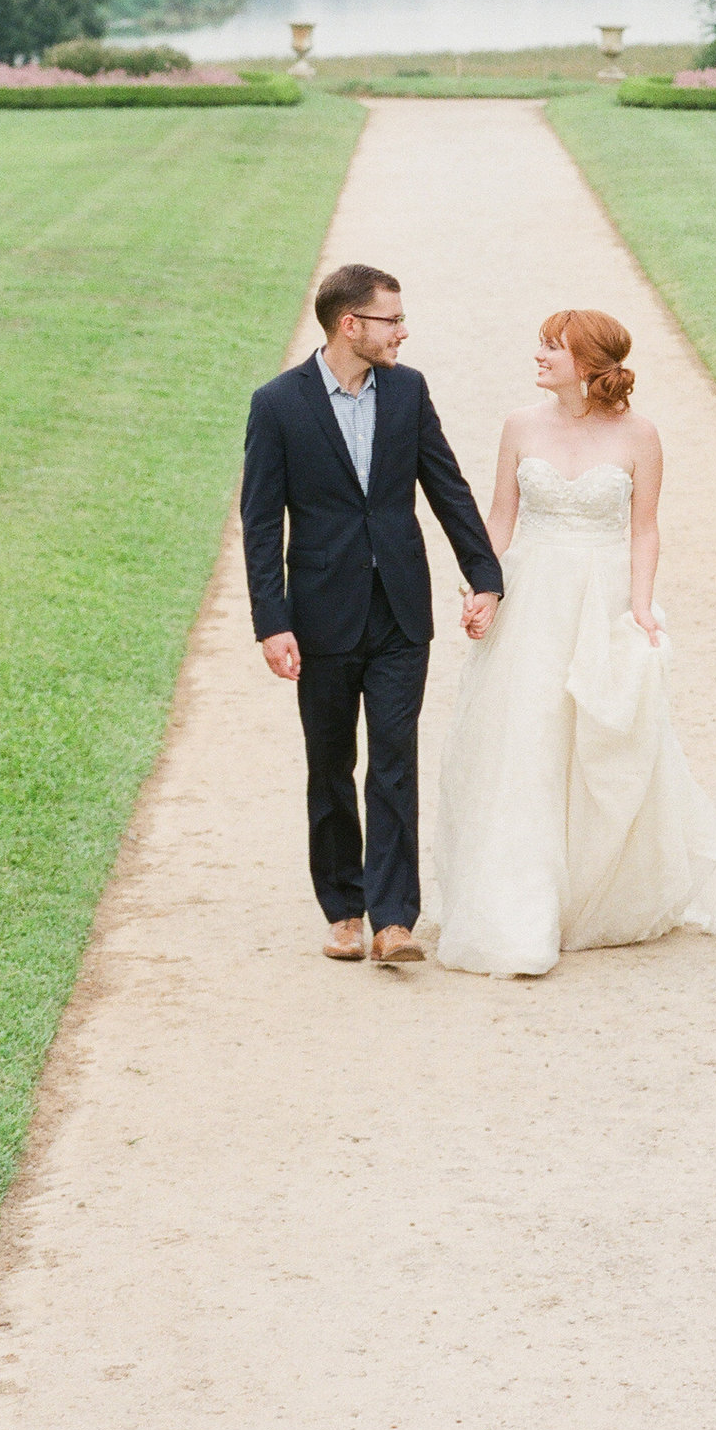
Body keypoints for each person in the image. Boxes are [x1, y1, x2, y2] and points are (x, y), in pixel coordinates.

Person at [431, 305, 716, 978]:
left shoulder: (640, 435)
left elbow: (644, 527)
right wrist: (483, 585)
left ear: (590, 365)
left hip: (599, 597)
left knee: (598, 736)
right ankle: (522, 903)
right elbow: (501, 515)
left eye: (553, 347)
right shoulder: (519, 426)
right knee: (527, 738)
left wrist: (639, 605)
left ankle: (590, 891)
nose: (539, 355)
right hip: (532, 596)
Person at [240, 261, 504, 969]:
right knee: (330, 764)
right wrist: (272, 619)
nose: (403, 330)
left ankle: (393, 918)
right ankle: (344, 907)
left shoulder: (409, 390)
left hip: (398, 613)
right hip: (319, 615)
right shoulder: (277, 405)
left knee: (393, 760)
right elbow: (261, 521)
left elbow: (446, 483)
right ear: (349, 324)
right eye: (391, 319)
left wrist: (484, 572)